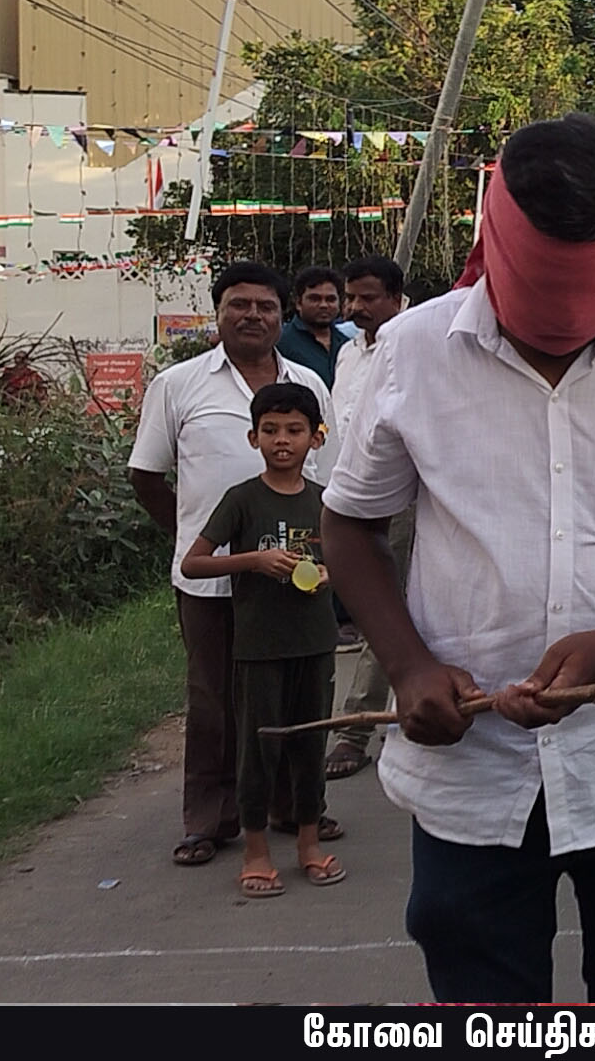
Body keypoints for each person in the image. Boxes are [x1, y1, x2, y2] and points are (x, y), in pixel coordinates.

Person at [320, 114, 595, 1003]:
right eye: (539, 301)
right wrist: (407, 666)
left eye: (582, 305)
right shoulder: (409, 352)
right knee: (484, 1008)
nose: (559, 328)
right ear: (497, 239)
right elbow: (350, 526)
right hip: (470, 765)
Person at [130, 261, 338, 868]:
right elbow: (145, 475)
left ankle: (291, 806)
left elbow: (330, 484)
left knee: (293, 697)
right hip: (213, 584)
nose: (252, 315)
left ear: (283, 314)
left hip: (293, 584)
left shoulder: (308, 385)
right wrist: (192, 539)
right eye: (238, 305)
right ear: (217, 313)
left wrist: (321, 565)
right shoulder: (179, 384)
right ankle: (209, 819)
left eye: (265, 306)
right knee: (215, 698)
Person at [180, 383, 344, 897]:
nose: (282, 441)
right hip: (259, 648)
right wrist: (254, 560)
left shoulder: (326, 502)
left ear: (315, 439)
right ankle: (255, 852)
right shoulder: (242, 501)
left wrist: (324, 574)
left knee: (309, 744)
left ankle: (309, 845)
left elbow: (346, 563)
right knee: (259, 749)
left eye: (295, 430)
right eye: (270, 430)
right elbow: (193, 562)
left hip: (315, 644)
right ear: (253, 438)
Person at [322, 256, 411, 780]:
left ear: (396, 297)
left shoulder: (417, 344)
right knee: (367, 603)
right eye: (350, 298)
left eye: (367, 298)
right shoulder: (349, 353)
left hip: (401, 497)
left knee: (387, 602)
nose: (354, 308)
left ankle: (356, 729)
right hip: (347, 498)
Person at [277, 265, 349, 389]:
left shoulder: (347, 344)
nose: (324, 305)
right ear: (299, 303)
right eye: (315, 299)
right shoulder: (281, 341)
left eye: (330, 299)